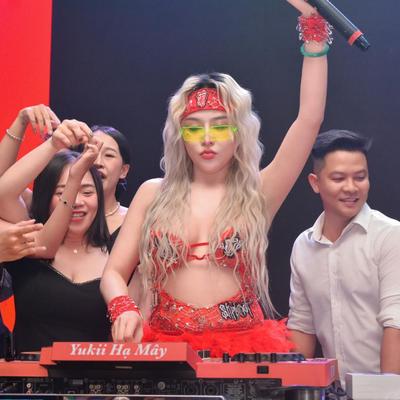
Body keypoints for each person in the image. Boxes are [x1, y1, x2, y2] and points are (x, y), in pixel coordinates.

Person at [101, 0, 330, 357]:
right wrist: (123, 307)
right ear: (180, 137)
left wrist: (313, 26)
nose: (207, 139)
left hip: (242, 347)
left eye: (220, 127)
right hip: (166, 348)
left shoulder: (257, 192)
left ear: (239, 134)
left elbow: (309, 119)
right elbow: (114, 272)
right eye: (194, 128)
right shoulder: (153, 194)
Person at [287, 130, 400, 385]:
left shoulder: (390, 236)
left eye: (360, 177)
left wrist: (386, 393)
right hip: (333, 390)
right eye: (338, 178)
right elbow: (302, 327)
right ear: (315, 183)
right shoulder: (304, 246)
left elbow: (396, 324)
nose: (351, 187)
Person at [0, 120, 111, 352]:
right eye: (62, 192)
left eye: (87, 192)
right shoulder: (28, 239)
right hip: (29, 374)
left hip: (99, 374)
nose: (77, 202)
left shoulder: (117, 251)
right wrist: (53, 144)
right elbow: (3, 192)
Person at [91, 125, 131, 249]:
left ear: (123, 171)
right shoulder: (63, 216)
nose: (97, 162)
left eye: (108, 155)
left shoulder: (134, 221)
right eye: (91, 152)